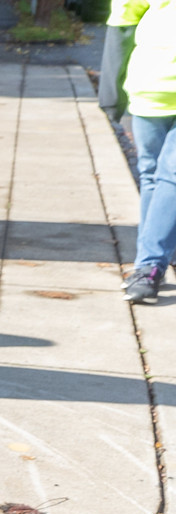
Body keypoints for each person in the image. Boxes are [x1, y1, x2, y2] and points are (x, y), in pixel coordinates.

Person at [122, 0, 176, 302]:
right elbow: (124, 13)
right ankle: (150, 263)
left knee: (170, 174)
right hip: (152, 86)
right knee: (152, 174)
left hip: (150, 82)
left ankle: (149, 265)